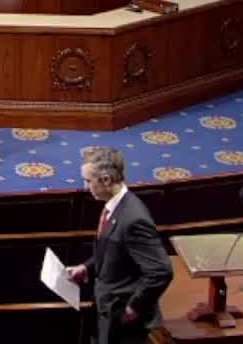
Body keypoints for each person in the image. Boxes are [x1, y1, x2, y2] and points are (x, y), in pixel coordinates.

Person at [65, 147, 173, 344]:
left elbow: (161, 270)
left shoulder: (133, 219)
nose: (85, 186)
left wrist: (135, 307)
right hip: (107, 310)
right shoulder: (112, 206)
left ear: (106, 180)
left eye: (89, 181)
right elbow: (114, 250)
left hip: (125, 321)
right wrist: (87, 267)